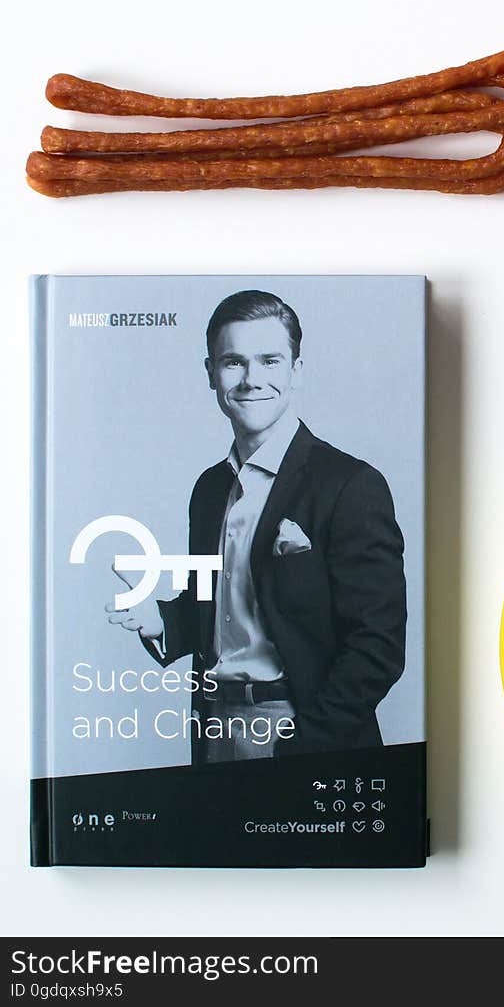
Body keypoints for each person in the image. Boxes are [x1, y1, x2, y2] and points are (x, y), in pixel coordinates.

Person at [106, 289, 407, 762]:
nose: (251, 380)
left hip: (302, 736)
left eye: (269, 361)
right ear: (211, 373)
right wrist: (158, 620)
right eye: (233, 362)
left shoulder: (350, 485)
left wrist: (301, 742)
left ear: (296, 370)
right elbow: (219, 608)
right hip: (213, 733)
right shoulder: (209, 490)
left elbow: (378, 645)